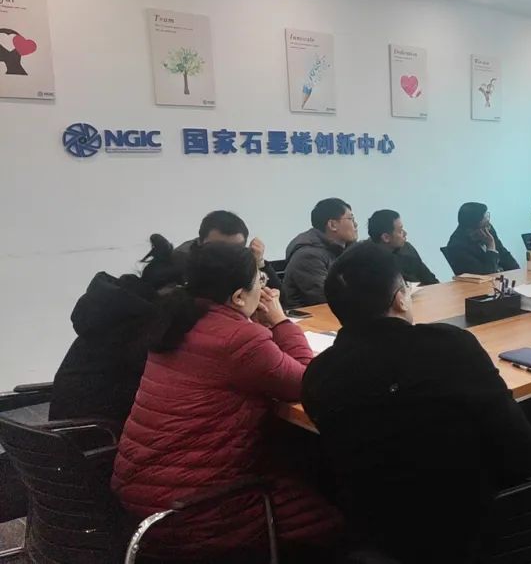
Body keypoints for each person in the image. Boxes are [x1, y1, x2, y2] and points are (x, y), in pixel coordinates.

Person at [302, 242, 531, 563]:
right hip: (477, 532)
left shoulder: (318, 376)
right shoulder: (452, 346)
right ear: (400, 298)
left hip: (382, 537)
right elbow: (521, 450)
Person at [112, 242, 342, 559]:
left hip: (137, 491)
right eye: (260, 280)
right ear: (238, 297)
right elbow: (308, 383)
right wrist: (280, 322)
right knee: (334, 513)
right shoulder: (238, 339)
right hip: (193, 510)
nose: (265, 287)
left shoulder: (176, 320)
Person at [49, 235, 184, 424]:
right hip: (96, 427)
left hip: (66, 416)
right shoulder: (141, 319)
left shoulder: (118, 304)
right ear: (171, 288)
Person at [173, 210, 281, 290]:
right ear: (200, 242)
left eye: (235, 248)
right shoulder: (180, 260)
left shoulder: (242, 256)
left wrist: (259, 263)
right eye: (218, 247)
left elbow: (281, 301)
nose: (227, 255)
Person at [283, 198, 358, 308]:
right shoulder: (308, 256)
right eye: (351, 219)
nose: (355, 224)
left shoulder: (345, 250)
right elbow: (328, 298)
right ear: (332, 225)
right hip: (315, 317)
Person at [444, 202, 520, 275]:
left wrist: (518, 274)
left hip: (502, 280)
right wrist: (491, 247)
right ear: (471, 229)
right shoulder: (457, 247)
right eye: (484, 223)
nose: (488, 225)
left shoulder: (488, 229)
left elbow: (505, 256)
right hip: (480, 283)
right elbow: (486, 275)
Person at [366, 209, 438, 285]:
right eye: (400, 231)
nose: (405, 233)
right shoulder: (368, 263)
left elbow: (431, 280)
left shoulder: (407, 248)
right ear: (386, 237)